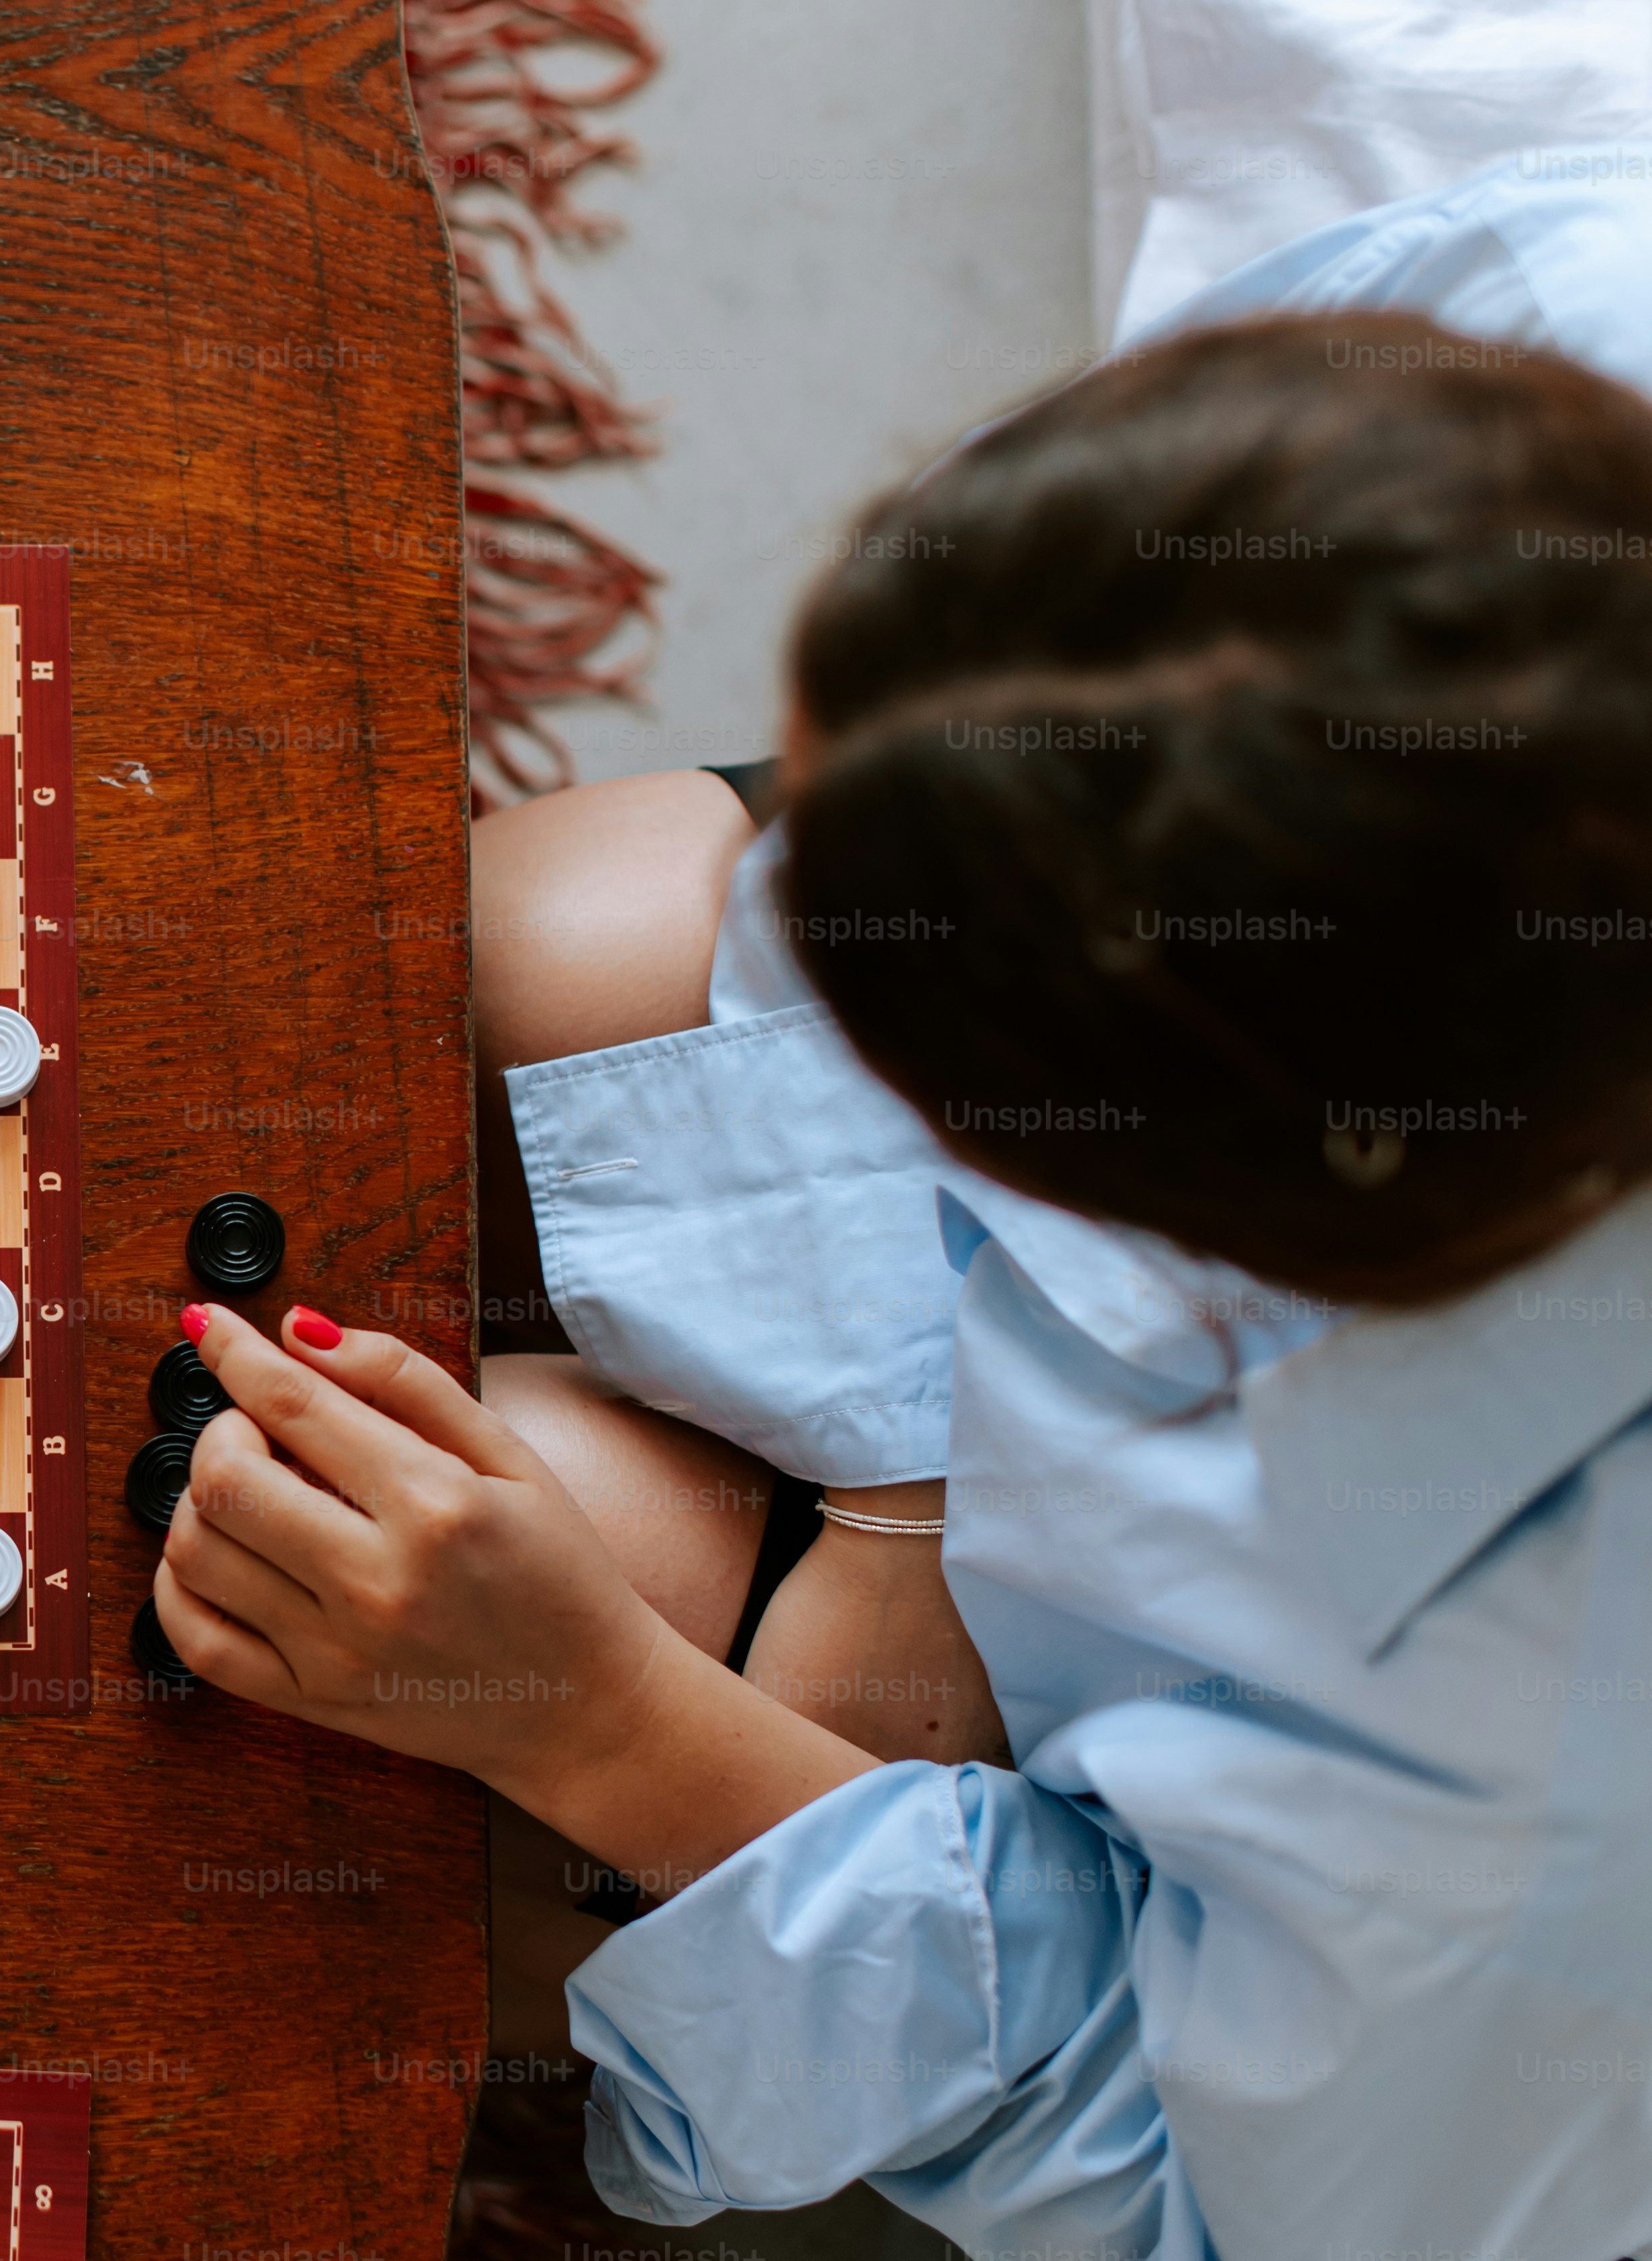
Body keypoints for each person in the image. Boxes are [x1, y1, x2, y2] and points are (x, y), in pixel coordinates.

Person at [158, 308, 1652, 2258]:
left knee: (451, 1598)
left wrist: (610, 1725)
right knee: (542, 939)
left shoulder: (1548, 1813)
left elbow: (1180, 2186)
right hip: (1161, 1257)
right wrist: (909, 1481)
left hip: (1173, 1843)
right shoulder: (1525, 334)